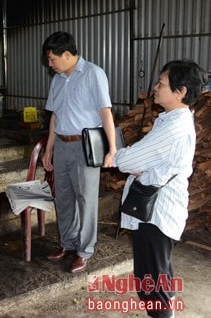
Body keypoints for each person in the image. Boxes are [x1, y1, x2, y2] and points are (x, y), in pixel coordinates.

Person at [114, 60, 206, 318]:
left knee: (153, 284)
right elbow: (145, 160)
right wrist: (138, 163)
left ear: (181, 91)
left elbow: (127, 161)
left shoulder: (174, 128)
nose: (155, 88)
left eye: (161, 83)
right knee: (159, 276)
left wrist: (124, 158)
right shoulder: (170, 120)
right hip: (157, 212)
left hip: (157, 215)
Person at [40, 31, 117, 273]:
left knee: (86, 199)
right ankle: (68, 243)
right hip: (62, 144)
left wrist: (112, 149)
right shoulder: (58, 79)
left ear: (66, 54)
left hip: (85, 146)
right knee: (63, 198)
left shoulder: (94, 74)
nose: (50, 65)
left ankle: (85, 251)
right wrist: (49, 147)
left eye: (52, 59)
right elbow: (55, 115)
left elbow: (105, 112)